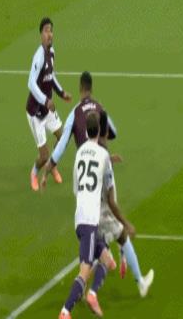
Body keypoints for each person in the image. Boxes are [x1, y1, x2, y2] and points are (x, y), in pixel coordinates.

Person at [59, 113, 116, 319]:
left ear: (85, 131)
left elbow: (76, 187)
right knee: (84, 271)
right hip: (91, 220)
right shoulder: (103, 154)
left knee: (107, 260)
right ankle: (65, 312)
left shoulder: (80, 152)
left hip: (80, 217)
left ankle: (92, 295)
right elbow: (109, 189)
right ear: (99, 131)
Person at [93, 110, 154, 300]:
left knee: (95, 253)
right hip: (103, 213)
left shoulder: (88, 151)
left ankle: (82, 292)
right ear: (105, 131)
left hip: (87, 212)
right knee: (123, 237)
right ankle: (140, 283)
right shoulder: (103, 155)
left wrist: (109, 160)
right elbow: (111, 201)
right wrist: (126, 223)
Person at [41, 71, 117, 188]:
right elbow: (113, 132)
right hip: (104, 164)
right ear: (91, 89)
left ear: (80, 88)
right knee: (109, 197)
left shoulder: (75, 113)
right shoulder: (99, 108)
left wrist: (48, 168)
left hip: (86, 168)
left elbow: (62, 145)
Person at [26, 17, 71, 191]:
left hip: (48, 109)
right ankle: (34, 173)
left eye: (51, 30)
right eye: (46, 30)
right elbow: (31, 83)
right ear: (41, 34)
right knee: (43, 155)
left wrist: (61, 93)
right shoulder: (38, 57)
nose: (49, 34)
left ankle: (51, 166)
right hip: (36, 113)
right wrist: (46, 100)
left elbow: (51, 76)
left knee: (62, 137)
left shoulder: (52, 52)